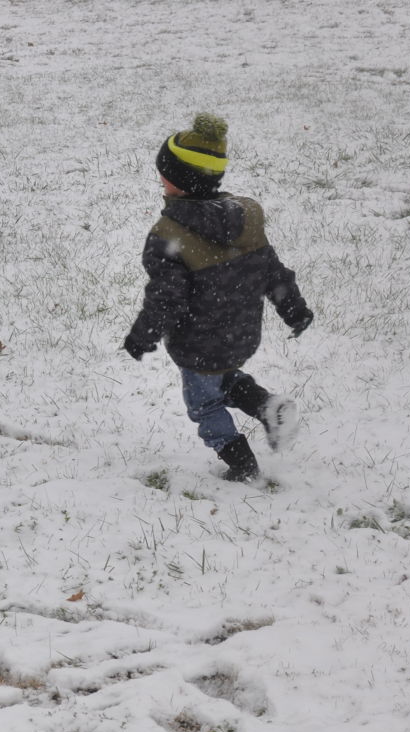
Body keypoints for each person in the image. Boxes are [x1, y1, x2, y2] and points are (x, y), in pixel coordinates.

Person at [123, 113, 313, 483]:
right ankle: (269, 407)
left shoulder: (169, 233)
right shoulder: (245, 219)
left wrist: (142, 336)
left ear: (174, 180)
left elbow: (167, 298)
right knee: (224, 378)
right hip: (240, 334)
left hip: (199, 343)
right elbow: (274, 272)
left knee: (205, 404)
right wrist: (294, 309)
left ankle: (243, 467)